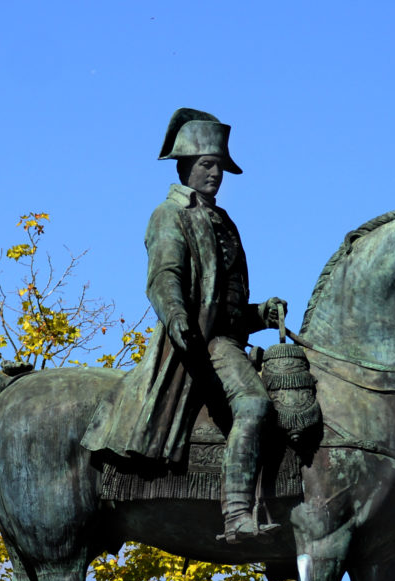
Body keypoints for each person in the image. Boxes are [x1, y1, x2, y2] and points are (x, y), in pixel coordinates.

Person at [82, 108, 287, 543]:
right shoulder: (169, 215)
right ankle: (236, 514)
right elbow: (164, 275)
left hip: (227, 337)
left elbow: (225, 303)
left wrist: (259, 313)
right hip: (203, 342)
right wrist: (175, 315)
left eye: (220, 167)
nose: (215, 174)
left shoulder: (222, 220)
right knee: (254, 406)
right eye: (207, 165)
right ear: (185, 166)